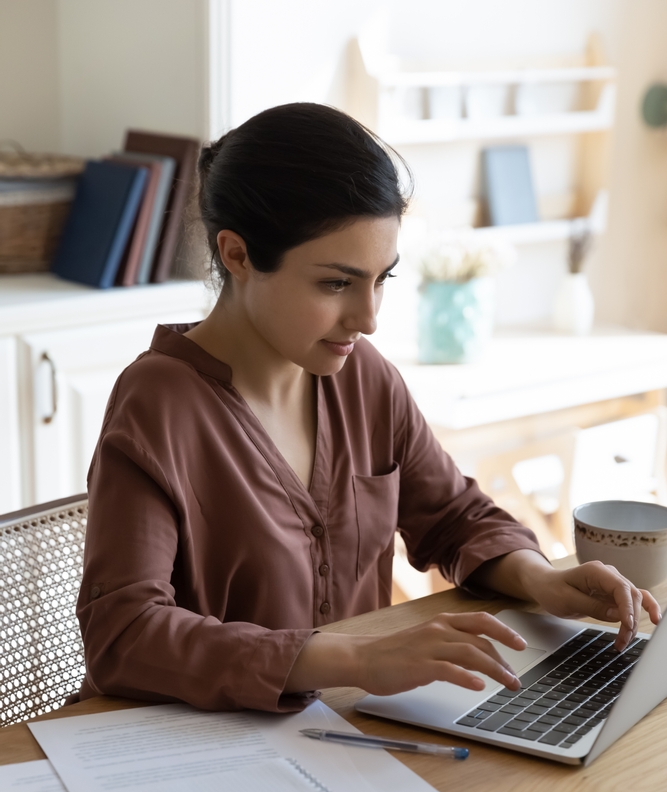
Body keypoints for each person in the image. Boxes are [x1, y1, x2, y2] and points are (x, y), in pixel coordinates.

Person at [75, 103, 661, 713]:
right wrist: (357, 659)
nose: (369, 318)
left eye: (383, 279)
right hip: (203, 756)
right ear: (238, 255)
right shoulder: (157, 404)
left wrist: (542, 580)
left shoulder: (363, 378)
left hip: (350, 738)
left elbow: (454, 516)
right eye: (336, 284)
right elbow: (124, 634)